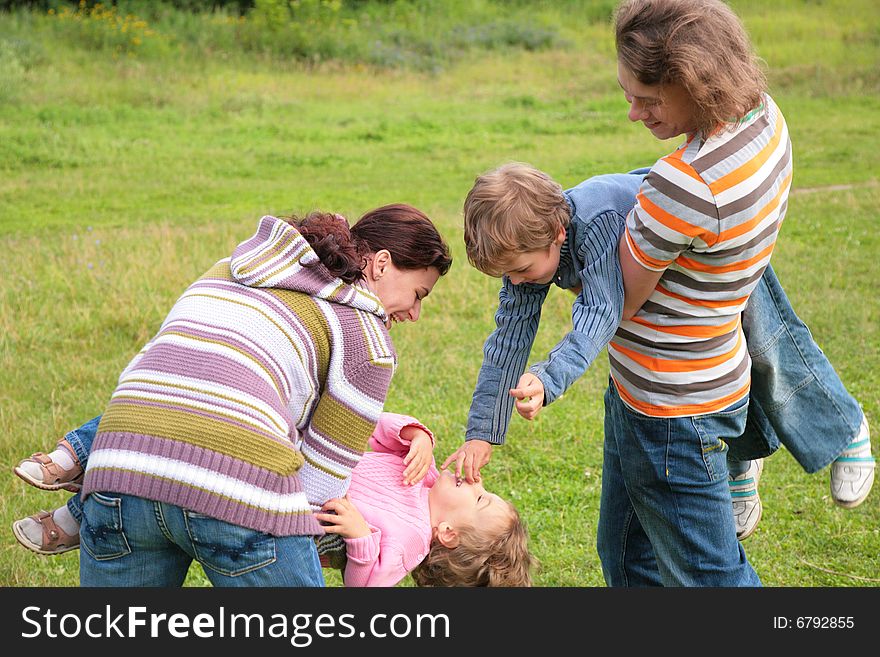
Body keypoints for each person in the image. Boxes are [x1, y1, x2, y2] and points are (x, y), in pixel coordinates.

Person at [445, 0, 871, 587]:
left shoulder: (626, 215)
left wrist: (550, 377)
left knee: (771, 348)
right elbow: (507, 336)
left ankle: (795, 443)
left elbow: (607, 310)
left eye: (646, 98)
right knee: (627, 555)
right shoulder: (762, 121)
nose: (632, 113)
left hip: (677, 394)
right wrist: (482, 430)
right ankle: (744, 460)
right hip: (653, 376)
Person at [13, 204, 452, 587]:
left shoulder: (232, 266)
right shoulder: (367, 340)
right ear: (380, 264)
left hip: (116, 470)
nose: (414, 314)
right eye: (418, 294)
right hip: (239, 487)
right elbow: (320, 491)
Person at [13, 412, 533, 587]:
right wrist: (416, 435)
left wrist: (357, 539)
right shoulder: (417, 470)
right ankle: (79, 465)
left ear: (448, 533)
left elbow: (367, 584)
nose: (476, 484)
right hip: (290, 451)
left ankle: (83, 509)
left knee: (191, 449)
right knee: (193, 409)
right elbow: (370, 427)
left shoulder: (413, 538)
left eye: (482, 500)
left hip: (275, 498)